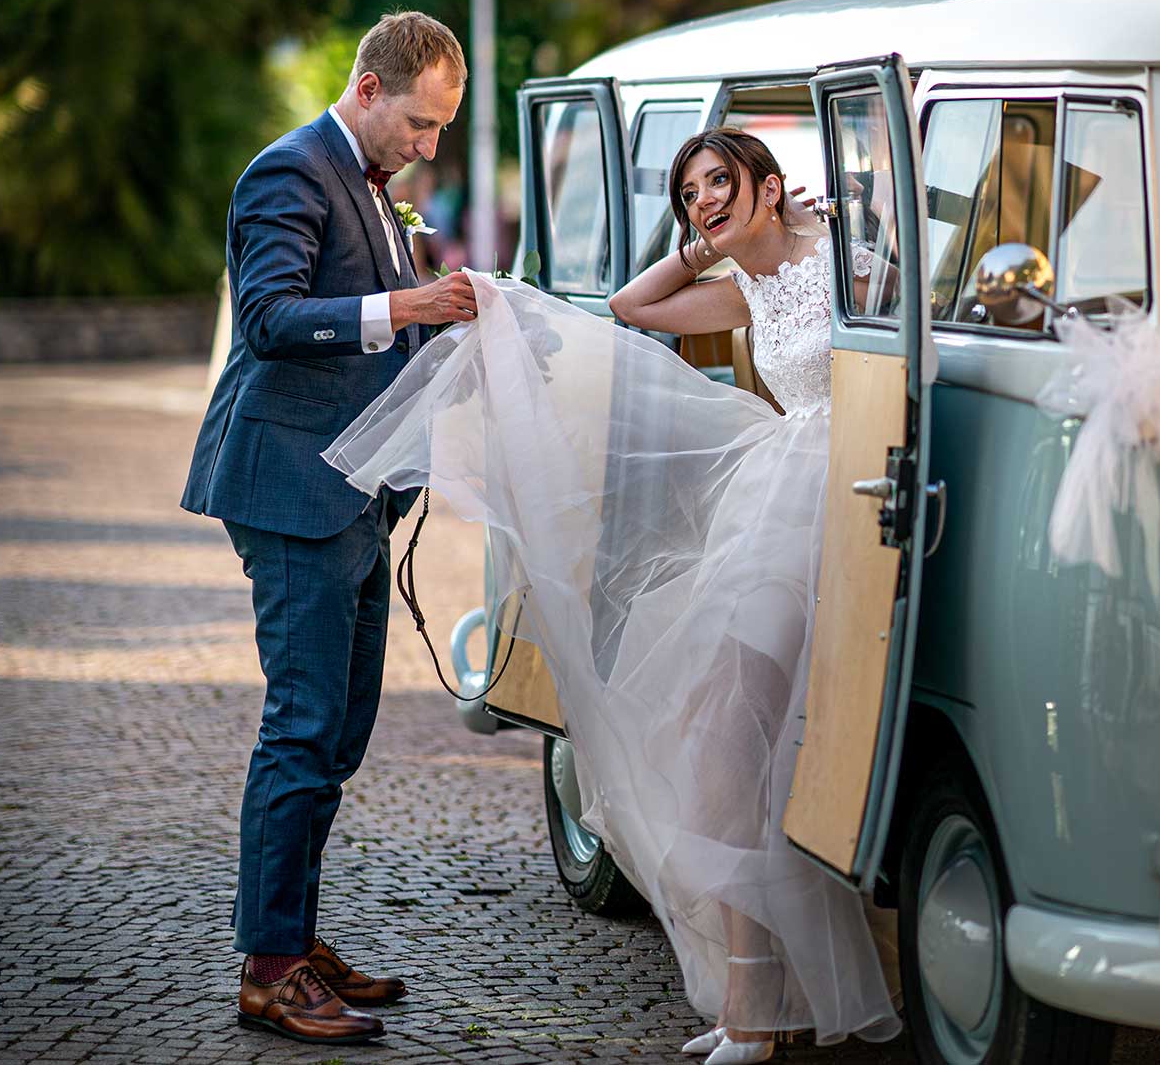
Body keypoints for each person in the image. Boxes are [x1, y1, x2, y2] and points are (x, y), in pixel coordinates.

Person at [326, 129, 901, 1062]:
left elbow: (902, 341)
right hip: (778, 499)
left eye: (721, 182)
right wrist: (707, 244)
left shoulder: (844, 262)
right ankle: (754, 1004)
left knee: (734, 744)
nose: (705, 201)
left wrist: (819, 223)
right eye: (689, 193)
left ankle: (759, 1014)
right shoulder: (745, 286)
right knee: (721, 748)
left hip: (834, 495)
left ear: (768, 182)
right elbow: (635, 306)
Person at [181, 11, 479, 1044]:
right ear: (367, 88)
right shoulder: (289, 171)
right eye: (421, 122)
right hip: (288, 490)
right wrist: (404, 306)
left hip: (354, 491)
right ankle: (267, 969)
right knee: (302, 726)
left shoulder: (365, 181)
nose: (428, 146)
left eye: (441, 128)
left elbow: (374, 324)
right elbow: (269, 319)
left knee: (340, 731)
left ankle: (296, 939)